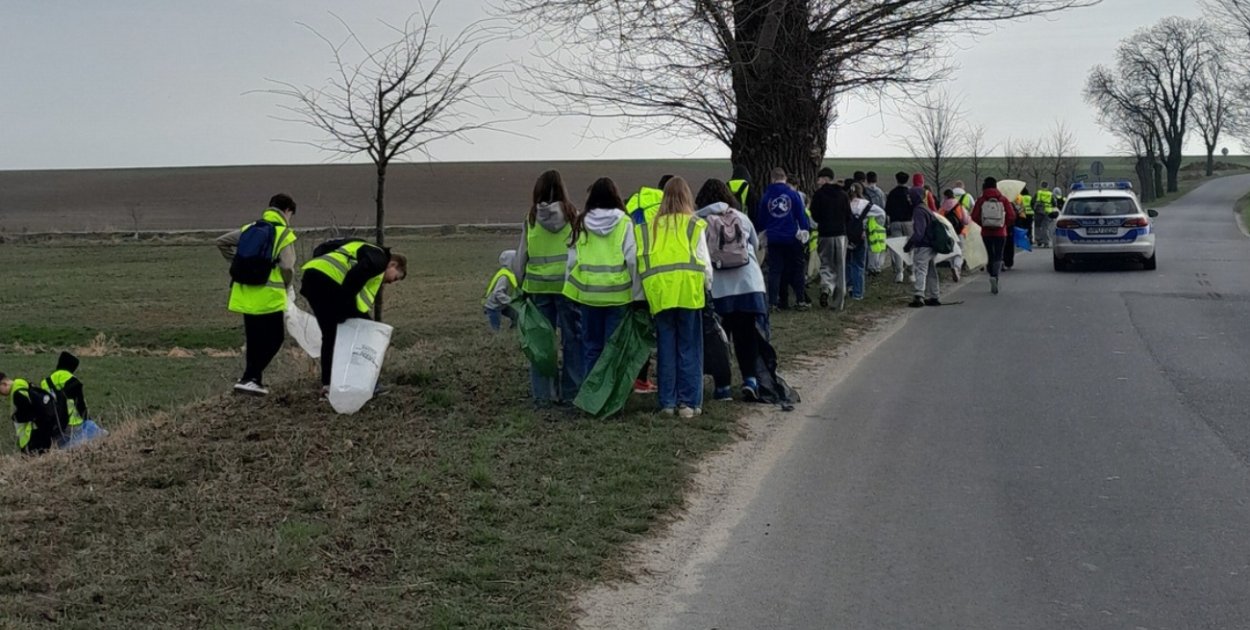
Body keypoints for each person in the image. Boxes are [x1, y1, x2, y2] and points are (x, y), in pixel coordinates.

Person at [639, 177, 712, 418]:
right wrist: (707, 287)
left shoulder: (650, 226)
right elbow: (704, 262)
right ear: (687, 197)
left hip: (660, 294)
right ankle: (688, 404)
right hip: (689, 292)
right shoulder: (693, 224)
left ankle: (667, 403)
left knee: (666, 348)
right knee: (689, 348)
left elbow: (639, 261)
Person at [511, 170, 585, 406]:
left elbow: (521, 255)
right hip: (568, 287)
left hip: (538, 288)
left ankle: (544, 394)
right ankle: (572, 391)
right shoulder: (574, 215)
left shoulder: (531, 218)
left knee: (541, 342)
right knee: (572, 340)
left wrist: (520, 283)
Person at [301, 239, 408, 397]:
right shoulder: (379, 259)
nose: (392, 282)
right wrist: (344, 305)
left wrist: (321, 265)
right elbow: (355, 276)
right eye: (396, 277)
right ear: (393, 264)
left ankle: (328, 386)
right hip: (329, 284)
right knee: (367, 333)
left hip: (311, 279)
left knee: (330, 335)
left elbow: (323, 248)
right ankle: (369, 384)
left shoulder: (361, 246)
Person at [695, 179, 770, 402]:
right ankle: (750, 381)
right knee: (746, 336)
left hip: (719, 288)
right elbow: (755, 246)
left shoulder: (700, 221)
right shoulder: (741, 217)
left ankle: (723, 387)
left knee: (720, 340)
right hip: (749, 284)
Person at [216, 194, 298, 396]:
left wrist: (240, 263)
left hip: (244, 294)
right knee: (275, 338)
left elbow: (221, 242)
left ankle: (252, 380)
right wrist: (288, 286)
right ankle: (251, 377)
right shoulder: (283, 233)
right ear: (287, 211)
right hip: (269, 296)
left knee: (253, 340)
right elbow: (287, 266)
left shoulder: (249, 229)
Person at [563, 177, 641, 379]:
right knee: (613, 350)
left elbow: (571, 261)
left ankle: (592, 399)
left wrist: (569, 287)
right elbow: (632, 259)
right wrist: (637, 293)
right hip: (618, 295)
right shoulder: (625, 222)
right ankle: (610, 399)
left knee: (591, 348)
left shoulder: (581, 222)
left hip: (589, 295)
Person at [759, 167, 811, 311]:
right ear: (785, 178)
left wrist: (763, 234)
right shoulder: (793, 195)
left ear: (772, 178)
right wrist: (804, 231)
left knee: (775, 270)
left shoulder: (766, 196)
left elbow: (761, 219)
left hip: (774, 238)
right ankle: (800, 301)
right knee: (797, 269)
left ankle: (773, 303)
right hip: (791, 237)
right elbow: (801, 215)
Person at [810, 167, 851, 310]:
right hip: (840, 234)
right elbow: (848, 215)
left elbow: (814, 215)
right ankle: (839, 302)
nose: (817, 181)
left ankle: (826, 288)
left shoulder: (818, 195)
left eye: (819, 178)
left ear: (825, 178)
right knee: (840, 266)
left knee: (826, 263)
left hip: (825, 234)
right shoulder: (843, 194)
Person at [972, 177, 1018, 295]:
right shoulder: (1003, 199)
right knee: (998, 254)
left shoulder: (981, 200)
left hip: (986, 233)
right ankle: (995, 276)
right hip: (1000, 232)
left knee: (990, 254)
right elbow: (1012, 216)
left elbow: (974, 216)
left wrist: (983, 224)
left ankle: (991, 271)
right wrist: (1003, 224)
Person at [2, 373, 66, 454]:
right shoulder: (23, 385)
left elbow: (28, 414)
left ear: (4, 384)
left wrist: (15, 417)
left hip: (32, 436)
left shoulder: (17, 394)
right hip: (43, 430)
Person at [903, 188, 941, 307]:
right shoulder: (926, 208)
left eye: (910, 196)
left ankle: (919, 296)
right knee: (931, 270)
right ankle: (934, 296)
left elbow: (919, 232)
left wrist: (909, 244)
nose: (908, 199)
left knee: (921, 269)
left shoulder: (918, 211)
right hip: (932, 244)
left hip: (923, 245)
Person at [846, 183, 881, 301]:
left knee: (847, 263)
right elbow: (881, 213)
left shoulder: (845, 204)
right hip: (860, 236)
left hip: (846, 237)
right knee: (859, 265)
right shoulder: (866, 205)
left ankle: (848, 287)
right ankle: (858, 293)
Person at [41, 351, 89, 434]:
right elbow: (80, 404)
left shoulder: (45, 382)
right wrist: (87, 419)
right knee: (102, 434)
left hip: (54, 425)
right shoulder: (72, 380)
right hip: (74, 424)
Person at [884, 171, 914, 283]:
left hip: (895, 222)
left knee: (898, 248)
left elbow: (887, 210)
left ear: (896, 180)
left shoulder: (892, 193)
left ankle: (899, 273)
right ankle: (912, 272)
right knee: (910, 247)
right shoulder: (909, 193)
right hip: (908, 222)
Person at [939, 189, 971, 282]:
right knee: (960, 252)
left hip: (947, 233)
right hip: (959, 231)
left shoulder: (942, 208)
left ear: (945, 196)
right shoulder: (959, 206)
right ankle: (957, 268)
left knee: (951, 251)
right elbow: (965, 220)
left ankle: (953, 267)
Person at [483, 250, 519, 331]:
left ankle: (513, 331)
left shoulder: (509, 273)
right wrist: (510, 301)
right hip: (493, 307)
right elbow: (497, 293)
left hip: (502, 304)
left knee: (517, 315)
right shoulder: (504, 276)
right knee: (495, 330)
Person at [863, 172, 888, 275]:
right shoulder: (881, 192)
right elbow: (883, 206)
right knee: (877, 244)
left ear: (866, 180)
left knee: (869, 244)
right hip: (879, 221)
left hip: (868, 220)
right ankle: (877, 266)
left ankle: (870, 266)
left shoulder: (865, 192)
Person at [1034, 181, 1056, 248]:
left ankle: (1038, 240)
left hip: (1039, 211)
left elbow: (1032, 202)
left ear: (1041, 186)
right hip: (1048, 212)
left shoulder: (1038, 193)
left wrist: (1034, 209)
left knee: (1037, 226)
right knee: (1045, 227)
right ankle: (1046, 242)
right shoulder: (1050, 194)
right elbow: (1054, 204)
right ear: (1047, 186)